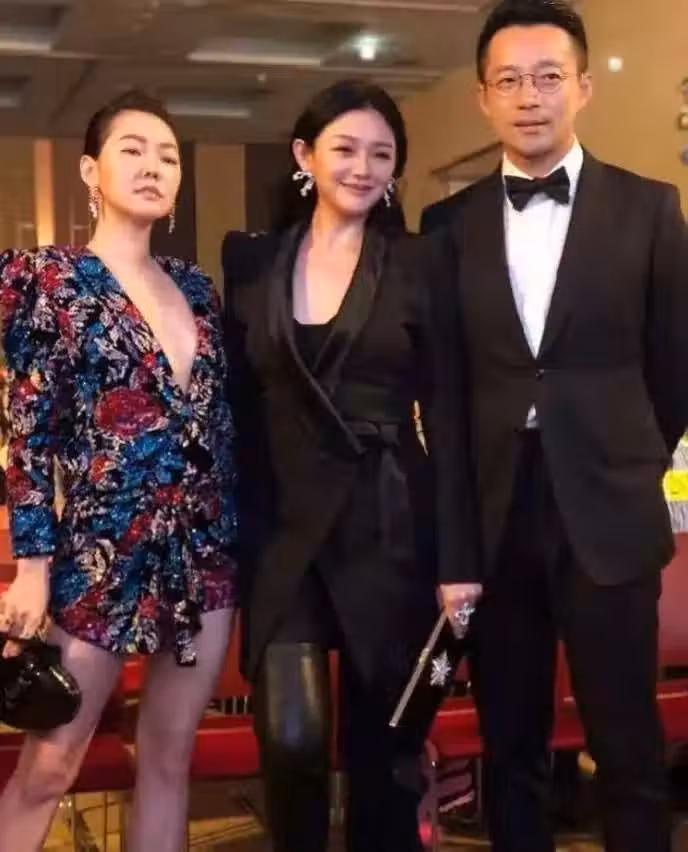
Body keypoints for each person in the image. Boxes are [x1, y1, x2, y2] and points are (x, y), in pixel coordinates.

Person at [420, 2, 688, 851]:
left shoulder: (651, 208)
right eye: (508, 80)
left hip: (608, 508)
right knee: (512, 748)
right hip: (498, 515)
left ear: (583, 87)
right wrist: (456, 549)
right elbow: (446, 397)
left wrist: (624, 460)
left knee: (629, 745)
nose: (528, 96)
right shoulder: (447, 226)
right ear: (483, 97)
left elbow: (675, 369)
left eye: (546, 77)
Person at [222, 79, 480, 852]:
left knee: (385, 754)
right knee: (292, 741)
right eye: (345, 148)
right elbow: (236, 410)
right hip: (286, 532)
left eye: (381, 154)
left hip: (388, 522)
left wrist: (459, 560)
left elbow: (450, 418)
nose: (363, 167)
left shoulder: (422, 261)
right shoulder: (250, 261)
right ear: (305, 155)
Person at [0, 89, 238, 852]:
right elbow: (29, 433)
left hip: (203, 551)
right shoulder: (50, 279)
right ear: (90, 171)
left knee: (169, 760)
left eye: (168, 156)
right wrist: (32, 568)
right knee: (50, 764)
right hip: (101, 550)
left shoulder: (197, 287)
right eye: (132, 150)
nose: (153, 166)